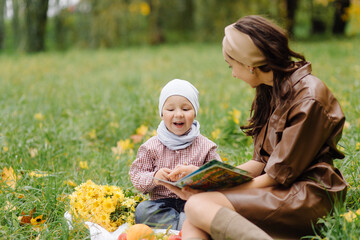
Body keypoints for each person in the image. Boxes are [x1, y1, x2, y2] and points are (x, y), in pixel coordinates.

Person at [160, 15, 348, 240]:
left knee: (197, 206)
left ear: (250, 65)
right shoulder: (272, 91)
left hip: (307, 197)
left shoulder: (309, 98)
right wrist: (203, 178)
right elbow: (261, 163)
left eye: (232, 65)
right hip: (277, 190)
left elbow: (277, 176)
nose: (233, 74)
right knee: (194, 223)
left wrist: (213, 191)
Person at [129, 79, 221, 230]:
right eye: (170, 110)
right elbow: (137, 175)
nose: (178, 115)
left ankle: (180, 226)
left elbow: (218, 176)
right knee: (142, 210)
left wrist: (198, 174)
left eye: (186, 109)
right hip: (162, 203)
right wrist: (155, 178)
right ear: (162, 113)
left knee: (202, 211)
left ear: (195, 112)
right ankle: (183, 228)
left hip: (193, 201)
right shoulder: (151, 146)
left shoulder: (206, 146)